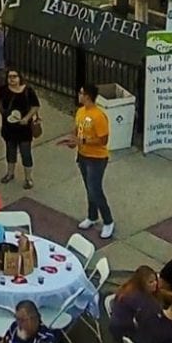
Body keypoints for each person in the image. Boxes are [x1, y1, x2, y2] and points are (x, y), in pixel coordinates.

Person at [73, 83, 114, 239]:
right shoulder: (80, 112)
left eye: (81, 93)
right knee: (88, 188)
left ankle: (108, 220)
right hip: (83, 155)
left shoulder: (98, 116)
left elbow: (103, 140)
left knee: (95, 189)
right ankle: (92, 215)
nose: (79, 95)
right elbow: (77, 131)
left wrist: (83, 141)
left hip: (96, 158)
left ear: (87, 96)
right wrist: (73, 141)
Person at [0, 67, 41, 189]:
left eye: (15, 76)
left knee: (26, 153)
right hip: (9, 128)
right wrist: (2, 112)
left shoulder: (27, 91)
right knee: (10, 151)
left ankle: (28, 178)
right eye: (10, 77)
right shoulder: (3, 90)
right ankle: (10, 173)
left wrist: (26, 118)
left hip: (24, 130)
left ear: (20, 78)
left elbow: (35, 106)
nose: (12, 79)